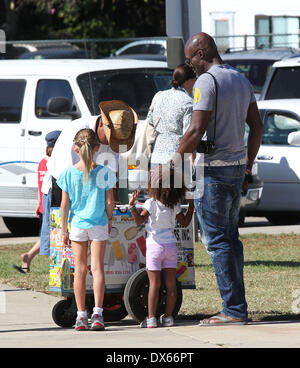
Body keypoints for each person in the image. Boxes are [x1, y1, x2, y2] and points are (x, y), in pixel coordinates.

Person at [174, 32, 263, 326]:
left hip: (212, 172)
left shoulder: (206, 82)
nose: (190, 65)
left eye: (191, 59)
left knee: (217, 243)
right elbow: (257, 127)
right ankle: (237, 305)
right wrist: (248, 168)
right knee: (231, 240)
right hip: (236, 168)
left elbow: (196, 130)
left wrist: (173, 163)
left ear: (202, 53)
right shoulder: (241, 79)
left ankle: (234, 310)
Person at [57, 128, 116, 331]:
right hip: (98, 222)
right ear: (98, 147)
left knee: (80, 270)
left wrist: (63, 229)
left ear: (75, 148)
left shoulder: (67, 173)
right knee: (98, 268)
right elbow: (110, 201)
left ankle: (81, 315)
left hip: (78, 225)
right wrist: (109, 218)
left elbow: (65, 205)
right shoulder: (105, 173)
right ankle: (98, 314)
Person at [128, 165, 194, 328]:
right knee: (171, 284)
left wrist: (132, 206)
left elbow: (138, 221)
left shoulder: (151, 203)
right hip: (171, 246)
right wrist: (191, 206)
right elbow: (185, 223)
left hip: (154, 247)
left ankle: (151, 318)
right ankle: (169, 317)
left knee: (154, 284)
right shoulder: (174, 205)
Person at [46, 100, 138, 207]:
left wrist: (115, 210)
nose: (110, 144)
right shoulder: (75, 132)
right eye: (109, 138)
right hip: (60, 188)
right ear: (100, 124)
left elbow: (112, 181)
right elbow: (68, 179)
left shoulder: (116, 139)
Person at [12, 130, 61, 272]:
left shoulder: (42, 163)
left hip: (43, 203)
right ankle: (36, 259)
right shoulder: (54, 163)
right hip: (52, 203)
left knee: (48, 233)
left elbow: (41, 186)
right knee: (52, 234)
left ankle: (28, 256)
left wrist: (38, 203)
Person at [149, 64, 196, 166]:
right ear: (188, 81)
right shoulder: (188, 102)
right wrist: (194, 160)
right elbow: (188, 134)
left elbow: (151, 121)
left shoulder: (159, 96)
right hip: (177, 159)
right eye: (194, 79)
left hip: (156, 157)